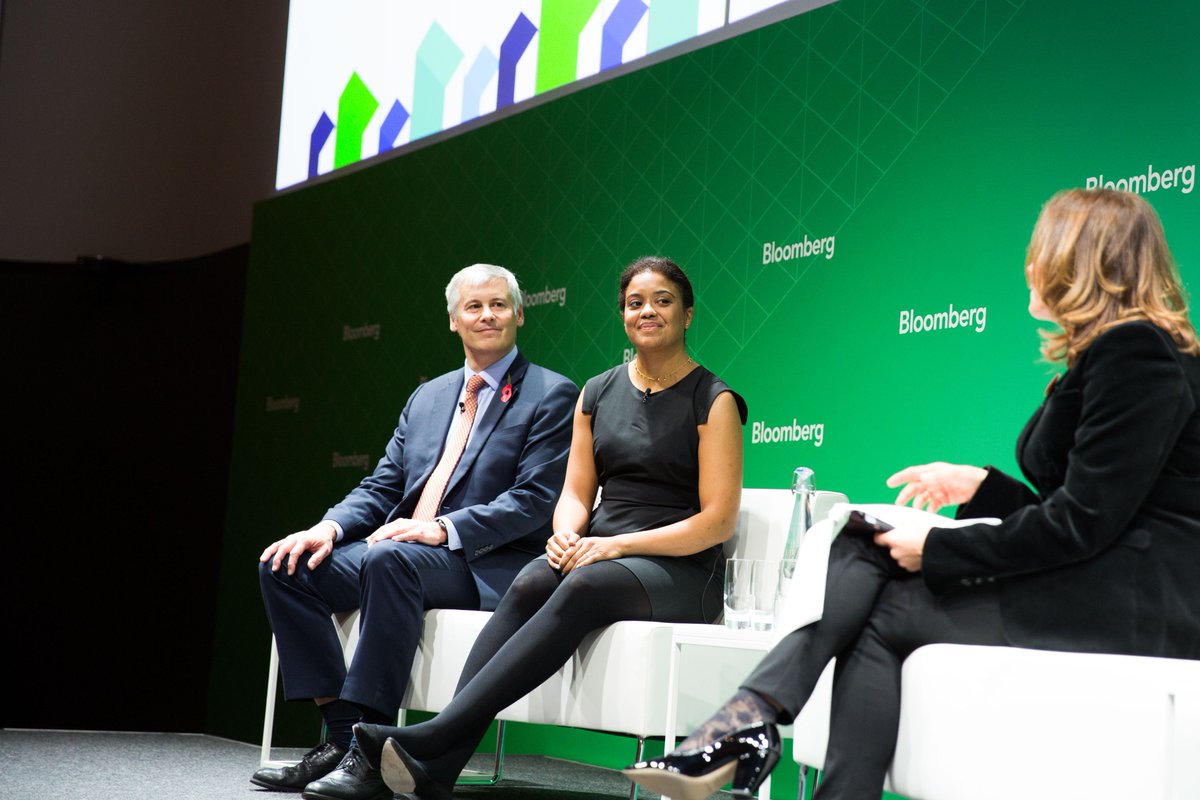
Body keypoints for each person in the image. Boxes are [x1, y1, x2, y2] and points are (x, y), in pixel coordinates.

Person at [624, 188, 1200, 800]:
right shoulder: (1119, 354)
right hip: (1099, 579)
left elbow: (1082, 523)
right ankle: (748, 723)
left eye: (1039, 250)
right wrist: (982, 487)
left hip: (1133, 605)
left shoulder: (1135, 354)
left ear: (1073, 261)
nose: (1029, 263)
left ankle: (745, 724)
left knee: (878, 608)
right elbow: (1093, 502)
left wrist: (938, 548)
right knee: (860, 545)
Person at [347, 256, 749, 799]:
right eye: (635, 303)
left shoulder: (714, 400)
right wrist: (566, 532)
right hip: (604, 552)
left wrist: (614, 546)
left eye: (662, 301)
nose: (647, 311)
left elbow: (716, 522)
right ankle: (437, 767)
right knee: (536, 576)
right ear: (623, 315)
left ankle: (434, 735)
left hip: (680, 569)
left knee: (584, 583)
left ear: (688, 314)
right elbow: (576, 494)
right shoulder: (596, 393)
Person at [251, 264, 578, 800]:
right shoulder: (428, 397)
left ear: (520, 313)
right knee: (285, 566)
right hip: (406, 555)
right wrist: (328, 527)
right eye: (473, 307)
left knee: (390, 558)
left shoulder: (551, 394)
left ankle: (373, 755)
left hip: (480, 561)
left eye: (498, 305)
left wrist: (443, 529)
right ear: (453, 321)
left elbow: (534, 502)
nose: (487, 315)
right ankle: (339, 738)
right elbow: (382, 485)